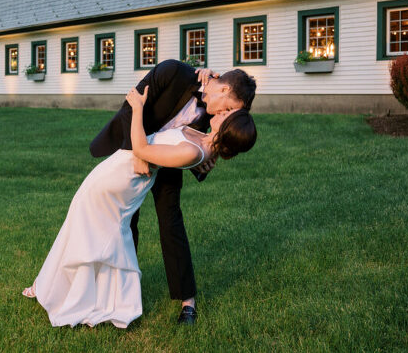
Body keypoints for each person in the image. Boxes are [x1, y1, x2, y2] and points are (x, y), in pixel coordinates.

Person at [22, 60, 257, 328]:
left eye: (230, 113)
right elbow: (130, 106)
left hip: (166, 160)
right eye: (228, 109)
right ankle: (111, 290)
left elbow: (215, 140)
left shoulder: (215, 114)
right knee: (120, 225)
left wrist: (207, 160)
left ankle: (187, 301)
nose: (225, 114)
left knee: (170, 221)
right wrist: (136, 153)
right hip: (134, 151)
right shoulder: (173, 73)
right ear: (223, 90)